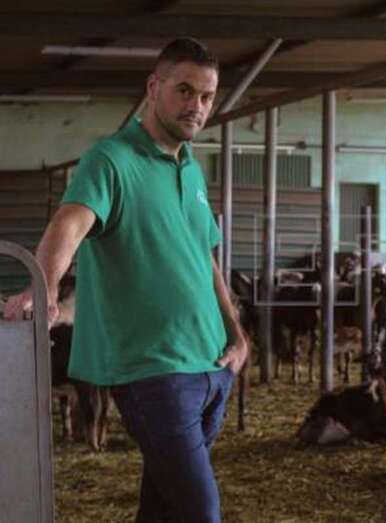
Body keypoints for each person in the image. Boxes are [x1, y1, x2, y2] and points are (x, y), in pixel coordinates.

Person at [3, 37, 248, 522]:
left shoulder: (191, 170)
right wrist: (45, 284)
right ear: (154, 88)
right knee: (200, 510)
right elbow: (71, 223)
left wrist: (237, 335)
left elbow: (204, 258)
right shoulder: (111, 159)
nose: (196, 106)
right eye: (184, 90)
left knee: (162, 507)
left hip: (213, 366)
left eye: (206, 96)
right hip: (154, 370)